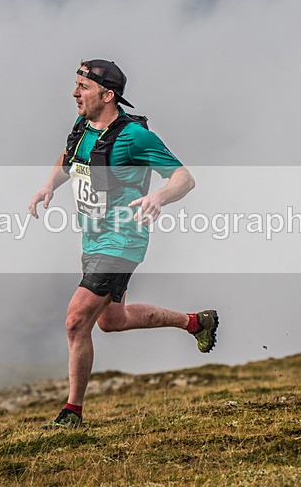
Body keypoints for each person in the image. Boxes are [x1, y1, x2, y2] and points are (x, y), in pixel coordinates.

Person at [28, 59, 218, 429]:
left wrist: (159, 198)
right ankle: (195, 322)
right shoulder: (84, 127)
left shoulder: (135, 137)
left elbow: (184, 178)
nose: (74, 93)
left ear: (108, 94)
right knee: (111, 321)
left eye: (83, 87)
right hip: (93, 238)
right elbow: (69, 160)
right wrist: (49, 184)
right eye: (76, 85)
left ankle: (72, 412)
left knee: (75, 321)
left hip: (122, 240)